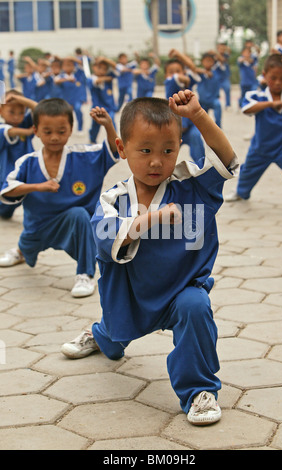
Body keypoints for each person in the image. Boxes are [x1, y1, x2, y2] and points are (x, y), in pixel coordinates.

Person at [61, 89, 238, 425]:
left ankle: (200, 391)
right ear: (122, 149)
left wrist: (198, 116)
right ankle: (101, 336)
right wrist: (148, 220)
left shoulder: (191, 187)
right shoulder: (113, 199)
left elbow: (226, 159)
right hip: (132, 296)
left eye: (168, 150)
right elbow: (104, 241)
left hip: (183, 289)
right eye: (145, 151)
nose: (157, 161)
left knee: (195, 308)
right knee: (115, 339)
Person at [0, 98, 119, 298]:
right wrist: (38, 186)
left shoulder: (84, 156)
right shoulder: (27, 163)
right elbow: (7, 190)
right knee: (28, 243)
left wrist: (108, 125)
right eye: (48, 132)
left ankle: (85, 273)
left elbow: (114, 152)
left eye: (61, 131)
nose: (55, 137)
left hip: (73, 226)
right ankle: (21, 251)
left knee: (80, 215)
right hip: (38, 226)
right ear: (36, 130)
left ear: (71, 130)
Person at [225, 54, 282, 214]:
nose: (278, 82)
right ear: (265, 75)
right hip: (261, 148)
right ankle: (241, 193)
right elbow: (246, 108)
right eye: (273, 78)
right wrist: (271, 104)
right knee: (247, 173)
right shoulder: (257, 95)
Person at [0, 90, 36, 219]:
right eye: (11, 112)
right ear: (1, 111)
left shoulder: (25, 122)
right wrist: (29, 131)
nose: (16, 116)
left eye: (21, 112)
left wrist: (19, 99)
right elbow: (11, 131)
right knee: (5, 209)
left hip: (26, 175)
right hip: (6, 178)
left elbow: (39, 109)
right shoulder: (2, 128)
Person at [164, 49, 205, 159]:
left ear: (184, 71)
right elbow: (176, 78)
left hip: (191, 126)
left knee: (196, 139)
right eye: (171, 72)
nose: (175, 74)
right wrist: (183, 77)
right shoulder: (169, 83)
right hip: (174, 130)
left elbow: (193, 68)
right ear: (165, 75)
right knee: (165, 155)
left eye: (178, 70)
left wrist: (179, 55)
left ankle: (202, 168)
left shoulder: (187, 84)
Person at [87, 57, 118, 143]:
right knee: (95, 127)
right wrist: (106, 78)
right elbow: (97, 82)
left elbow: (116, 67)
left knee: (111, 122)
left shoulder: (110, 75)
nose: (102, 70)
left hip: (109, 107)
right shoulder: (91, 78)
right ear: (94, 67)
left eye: (104, 69)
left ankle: (115, 141)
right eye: (99, 67)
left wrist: (105, 59)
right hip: (97, 108)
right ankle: (92, 140)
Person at [54, 58, 85, 135]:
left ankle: (80, 129)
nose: (69, 67)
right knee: (65, 116)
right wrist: (67, 79)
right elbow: (56, 81)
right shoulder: (60, 76)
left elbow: (81, 64)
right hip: (66, 100)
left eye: (71, 65)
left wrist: (71, 58)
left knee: (78, 110)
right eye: (66, 65)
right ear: (62, 67)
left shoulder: (78, 74)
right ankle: (65, 129)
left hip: (76, 99)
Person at [195, 52, 223, 128]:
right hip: (203, 100)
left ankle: (218, 126)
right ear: (202, 62)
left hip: (213, 99)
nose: (208, 63)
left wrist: (215, 53)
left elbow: (222, 61)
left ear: (214, 62)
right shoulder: (200, 74)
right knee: (202, 116)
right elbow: (194, 69)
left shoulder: (217, 72)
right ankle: (203, 127)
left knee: (218, 105)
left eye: (210, 61)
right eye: (206, 61)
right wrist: (205, 72)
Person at [216, 43, 231, 109]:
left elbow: (223, 59)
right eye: (220, 48)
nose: (221, 49)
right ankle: (216, 103)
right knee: (216, 92)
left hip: (225, 77)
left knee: (227, 89)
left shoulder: (225, 55)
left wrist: (225, 47)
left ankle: (227, 105)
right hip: (217, 77)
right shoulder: (214, 56)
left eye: (222, 48)